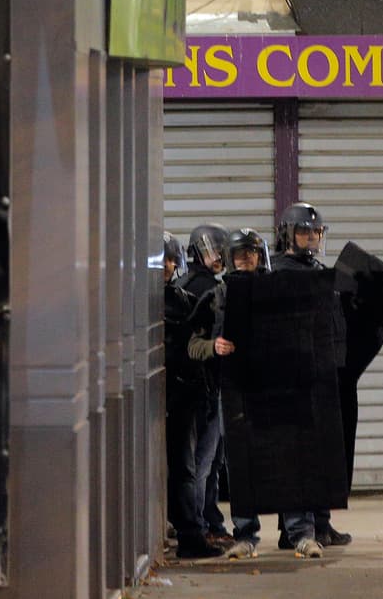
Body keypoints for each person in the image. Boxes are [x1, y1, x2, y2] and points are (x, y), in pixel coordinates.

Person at [269, 202, 351, 554]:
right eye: (305, 231)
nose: (313, 237)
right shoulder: (278, 274)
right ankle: (296, 531)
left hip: (322, 376)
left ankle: (320, 523)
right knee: (296, 457)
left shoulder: (318, 270)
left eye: (316, 232)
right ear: (288, 234)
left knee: (321, 455)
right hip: (291, 379)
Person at [187, 227, 272, 558]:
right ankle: (245, 533)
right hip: (232, 391)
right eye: (239, 255)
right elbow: (192, 345)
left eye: (251, 253)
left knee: (283, 458)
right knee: (236, 465)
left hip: (272, 390)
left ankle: (299, 531)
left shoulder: (278, 291)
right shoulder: (217, 295)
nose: (246, 260)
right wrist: (214, 346)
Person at [163, 231, 223, 559]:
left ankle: (190, 534)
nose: (168, 265)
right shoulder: (131, 299)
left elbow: (192, 346)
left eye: (171, 259)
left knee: (185, 466)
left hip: (182, 396)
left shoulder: (183, 298)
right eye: (162, 259)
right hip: (154, 397)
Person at [175, 223, 231, 551]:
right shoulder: (207, 288)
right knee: (204, 462)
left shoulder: (187, 284)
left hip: (193, 387)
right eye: (211, 250)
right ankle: (201, 524)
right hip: (205, 385)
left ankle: (205, 520)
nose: (218, 257)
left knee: (202, 462)